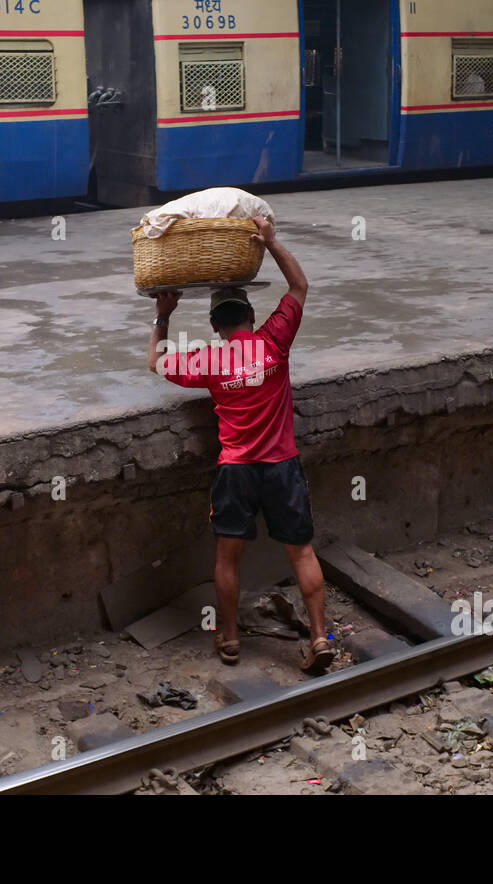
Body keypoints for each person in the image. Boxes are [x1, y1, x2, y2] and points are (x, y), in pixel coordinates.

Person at [147, 217, 332, 674]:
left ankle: (229, 638)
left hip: (236, 471)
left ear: (214, 324)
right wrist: (269, 242)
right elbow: (300, 285)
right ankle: (319, 635)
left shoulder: (210, 361)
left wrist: (163, 315)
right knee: (302, 552)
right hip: (282, 466)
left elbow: (155, 361)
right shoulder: (273, 343)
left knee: (228, 557)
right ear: (250, 316)